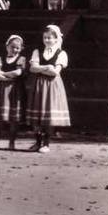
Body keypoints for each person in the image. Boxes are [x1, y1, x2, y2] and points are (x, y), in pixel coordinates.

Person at [25, 24, 71, 153]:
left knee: (48, 114)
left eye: (50, 38)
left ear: (56, 39)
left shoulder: (61, 53)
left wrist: (41, 68)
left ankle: (46, 143)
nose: (47, 40)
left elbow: (55, 72)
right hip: (38, 84)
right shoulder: (37, 52)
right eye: (45, 38)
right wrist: (47, 68)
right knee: (37, 114)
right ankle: (37, 142)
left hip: (52, 86)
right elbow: (32, 68)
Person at [0, 34, 27, 150]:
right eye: (12, 47)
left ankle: (11, 143)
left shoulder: (21, 59)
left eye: (18, 48)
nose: (15, 50)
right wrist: (6, 77)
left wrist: (4, 74)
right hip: (2, 90)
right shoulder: (0, 59)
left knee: (13, 119)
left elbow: (18, 73)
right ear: (7, 46)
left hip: (15, 91)